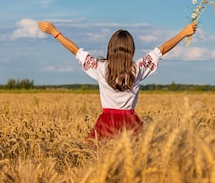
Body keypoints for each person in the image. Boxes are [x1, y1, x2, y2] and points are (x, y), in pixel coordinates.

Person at [37, 20, 197, 142]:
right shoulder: (138, 68)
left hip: (105, 124)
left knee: (99, 164)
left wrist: (54, 32)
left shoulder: (100, 67)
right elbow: (161, 50)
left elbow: (76, 51)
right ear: (131, 49)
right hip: (130, 124)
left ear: (110, 48)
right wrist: (184, 33)